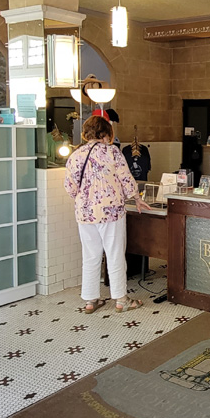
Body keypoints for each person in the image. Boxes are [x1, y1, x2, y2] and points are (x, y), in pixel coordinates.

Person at [64, 114, 150, 313]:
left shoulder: (76, 155)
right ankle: (121, 300)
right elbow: (126, 178)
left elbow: (70, 187)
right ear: (106, 133)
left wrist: (85, 200)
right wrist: (136, 198)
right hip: (111, 212)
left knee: (90, 256)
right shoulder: (112, 152)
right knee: (115, 254)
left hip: (85, 214)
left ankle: (90, 300)